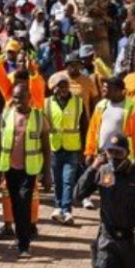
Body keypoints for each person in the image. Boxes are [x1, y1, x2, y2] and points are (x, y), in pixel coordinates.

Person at [75, 134, 135, 268]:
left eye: (119, 153)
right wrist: (93, 167)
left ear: (127, 153)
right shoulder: (103, 172)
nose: (114, 157)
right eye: (110, 152)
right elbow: (78, 194)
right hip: (107, 240)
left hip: (132, 242)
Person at [0, 81, 50, 256]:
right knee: (15, 203)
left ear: (29, 98)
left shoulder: (38, 117)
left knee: (24, 203)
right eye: (15, 97)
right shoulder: (6, 115)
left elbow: (45, 146)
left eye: (21, 97)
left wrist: (47, 172)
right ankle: (21, 239)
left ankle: (24, 244)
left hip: (29, 169)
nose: (17, 100)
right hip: (10, 168)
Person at [46, 71, 88, 225]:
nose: (62, 90)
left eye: (65, 87)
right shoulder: (47, 103)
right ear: (54, 88)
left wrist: (84, 148)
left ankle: (67, 210)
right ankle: (58, 207)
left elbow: (84, 125)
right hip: (55, 147)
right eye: (59, 87)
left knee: (68, 180)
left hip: (72, 147)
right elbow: (43, 127)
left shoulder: (78, 102)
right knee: (57, 180)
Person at [86, 76, 135, 164]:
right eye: (103, 86)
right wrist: (89, 152)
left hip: (121, 156)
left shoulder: (132, 108)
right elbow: (92, 131)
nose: (103, 89)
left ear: (118, 90)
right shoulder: (100, 106)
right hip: (102, 155)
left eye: (107, 87)